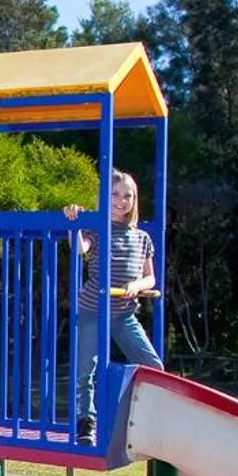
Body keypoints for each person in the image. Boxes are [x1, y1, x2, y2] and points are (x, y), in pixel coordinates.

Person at [64, 170, 163, 447]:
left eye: (127, 195)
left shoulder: (141, 237)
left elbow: (151, 277)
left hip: (123, 312)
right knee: (86, 370)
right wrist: (77, 223)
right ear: (105, 198)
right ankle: (87, 422)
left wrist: (138, 284)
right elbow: (80, 249)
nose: (121, 201)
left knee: (153, 365)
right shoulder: (97, 229)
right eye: (115, 194)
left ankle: (140, 419)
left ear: (135, 200)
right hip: (93, 308)